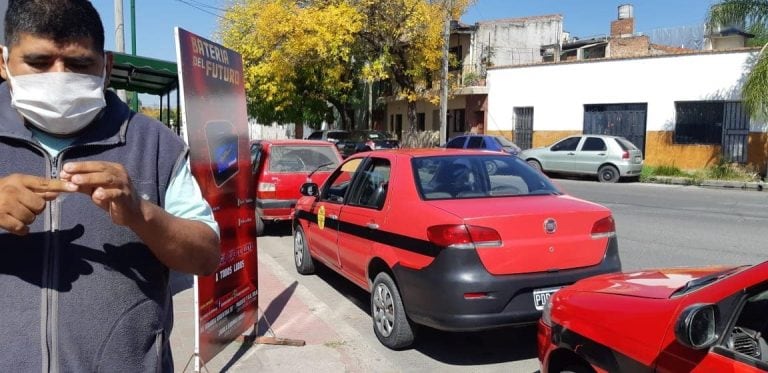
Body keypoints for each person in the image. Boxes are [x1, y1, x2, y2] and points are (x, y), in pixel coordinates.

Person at [0, 0, 220, 371]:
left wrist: (141, 212)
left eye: (79, 64)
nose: (58, 77)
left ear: (107, 66)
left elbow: (206, 255)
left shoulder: (156, 144)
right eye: (38, 63)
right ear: (4, 62)